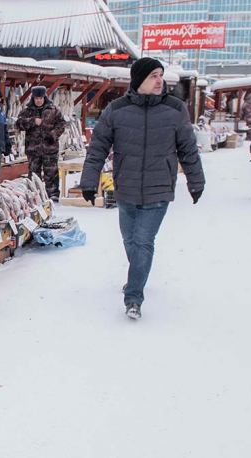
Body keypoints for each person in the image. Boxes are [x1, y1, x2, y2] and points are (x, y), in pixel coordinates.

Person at [80, 57, 205, 320]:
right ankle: (137, 274)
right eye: (153, 76)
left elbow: (188, 149)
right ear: (139, 80)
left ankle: (134, 297)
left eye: (161, 75)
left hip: (159, 188)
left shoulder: (175, 109)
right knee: (130, 240)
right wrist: (89, 181)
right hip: (125, 187)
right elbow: (98, 148)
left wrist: (196, 181)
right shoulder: (117, 109)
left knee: (143, 241)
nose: (159, 80)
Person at [15, 86, 65, 201]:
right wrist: (32, 121)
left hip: (50, 148)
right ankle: (34, 194)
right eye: (36, 98)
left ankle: (53, 194)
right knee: (34, 174)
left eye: (40, 98)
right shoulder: (27, 111)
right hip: (33, 149)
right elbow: (18, 124)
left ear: (44, 97)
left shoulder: (53, 110)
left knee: (51, 172)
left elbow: (62, 124)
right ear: (33, 98)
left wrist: (53, 135)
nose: (38, 100)